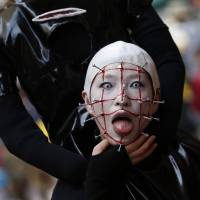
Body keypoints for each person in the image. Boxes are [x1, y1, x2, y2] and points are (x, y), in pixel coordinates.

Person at [0, 0, 185, 198]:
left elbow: (167, 59)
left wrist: (155, 135)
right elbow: (12, 125)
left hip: (150, 154)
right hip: (83, 175)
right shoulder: (5, 24)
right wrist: (85, 168)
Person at [81, 41, 200, 200]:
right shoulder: (73, 182)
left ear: (155, 98)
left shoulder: (188, 159)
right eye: (107, 85)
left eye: (136, 84)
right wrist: (98, 180)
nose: (122, 99)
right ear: (88, 101)